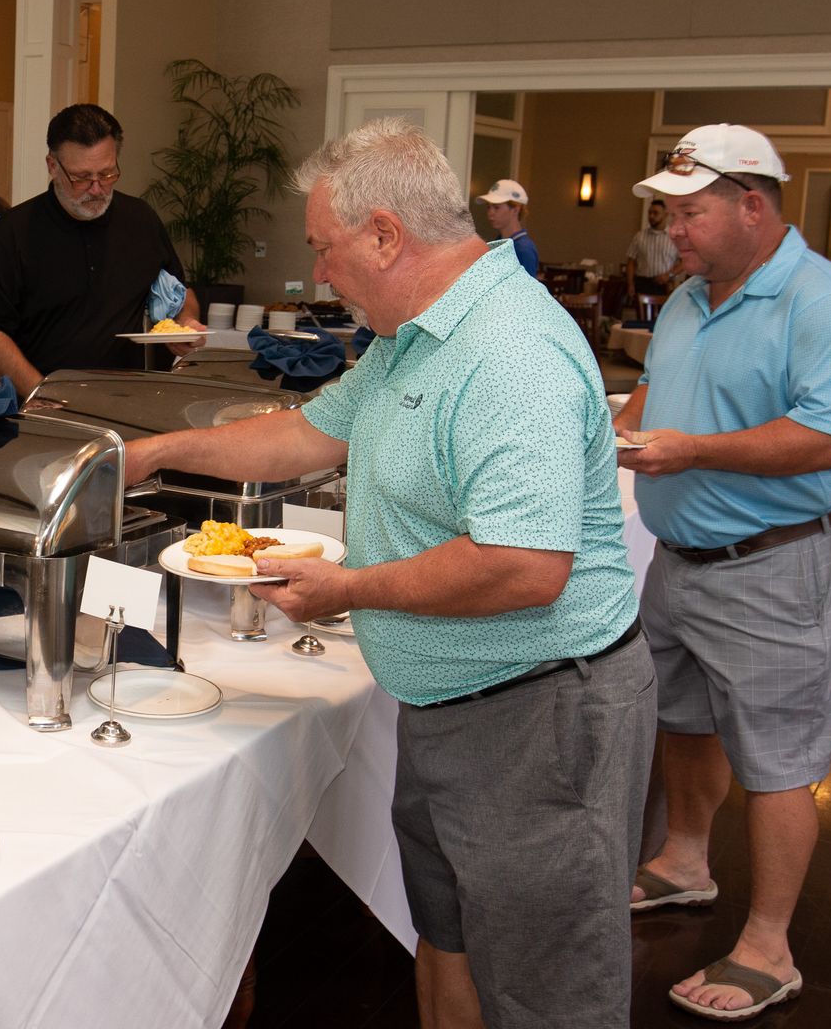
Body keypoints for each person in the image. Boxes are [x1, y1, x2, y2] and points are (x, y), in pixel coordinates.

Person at [126, 117, 652, 1028]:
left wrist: (347, 590)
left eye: (325, 247)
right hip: (452, 699)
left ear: (384, 234)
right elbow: (305, 434)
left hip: (540, 712)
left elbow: (524, 567)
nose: (320, 272)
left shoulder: (509, 349)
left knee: (548, 994)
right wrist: (153, 452)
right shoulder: (413, 333)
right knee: (445, 940)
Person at [616, 123, 831, 1021]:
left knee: (777, 759)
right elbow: (656, 393)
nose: (673, 231)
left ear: (752, 206)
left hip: (775, 564)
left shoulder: (825, 300)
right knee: (684, 718)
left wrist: (693, 451)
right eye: (670, 214)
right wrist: (620, 427)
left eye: (689, 213)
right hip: (680, 559)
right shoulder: (690, 298)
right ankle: (685, 859)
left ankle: (770, 946)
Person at [0, 104, 202, 398]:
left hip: (133, 398)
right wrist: (41, 394)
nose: (97, 189)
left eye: (107, 173)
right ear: (52, 166)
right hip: (45, 403)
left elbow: (181, 292)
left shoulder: (140, 219)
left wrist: (185, 323)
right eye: (81, 177)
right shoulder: (14, 232)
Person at [475, 178, 539, 277]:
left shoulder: (523, 249)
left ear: (515, 210)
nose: (490, 213)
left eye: (496, 207)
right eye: (488, 207)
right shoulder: (498, 242)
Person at [627, 197, 680, 296]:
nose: (651, 216)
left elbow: (684, 262)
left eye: (655, 213)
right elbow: (631, 262)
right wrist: (630, 284)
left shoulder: (675, 237)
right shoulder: (639, 236)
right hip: (642, 283)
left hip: (664, 284)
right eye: (650, 213)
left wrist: (669, 275)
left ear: (665, 214)